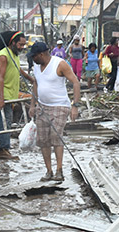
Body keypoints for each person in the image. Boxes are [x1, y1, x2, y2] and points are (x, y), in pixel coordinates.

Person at [28, 42, 80, 182]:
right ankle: (49, 171)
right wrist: (33, 105)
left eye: (34, 56)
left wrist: (75, 105)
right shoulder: (37, 67)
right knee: (43, 140)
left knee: (56, 137)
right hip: (42, 106)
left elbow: (75, 82)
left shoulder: (60, 64)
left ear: (41, 54)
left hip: (60, 106)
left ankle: (59, 170)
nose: (32, 59)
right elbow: (35, 84)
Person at [0, 31, 34, 160]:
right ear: (13, 43)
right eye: (20, 44)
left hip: (10, 93)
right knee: (5, 121)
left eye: (23, 45)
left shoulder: (14, 55)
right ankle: (0, 148)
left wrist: (30, 79)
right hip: (1, 93)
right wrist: (1, 99)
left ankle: (2, 147)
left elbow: (18, 69)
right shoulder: (3, 56)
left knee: (7, 121)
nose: (22, 47)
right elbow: (1, 78)